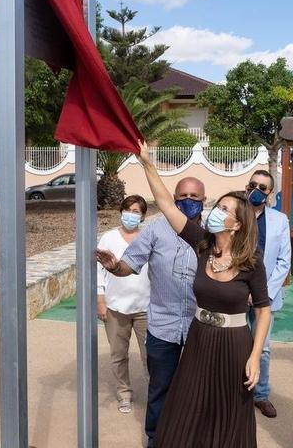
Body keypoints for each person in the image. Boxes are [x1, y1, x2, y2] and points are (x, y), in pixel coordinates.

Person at [100, 140, 272, 448]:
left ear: (236, 224)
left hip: (234, 344)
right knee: (186, 402)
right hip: (199, 338)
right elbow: (166, 204)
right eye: (217, 207)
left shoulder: (251, 263)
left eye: (223, 210)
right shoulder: (202, 244)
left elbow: (263, 310)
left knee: (228, 407)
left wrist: (256, 357)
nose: (216, 212)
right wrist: (147, 163)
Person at [96, 176, 206, 448]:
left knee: (196, 389)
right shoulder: (156, 230)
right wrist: (114, 268)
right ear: (173, 198)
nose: (188, 201)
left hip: (199, 328)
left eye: (194, 197)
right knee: (160, 387)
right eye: (182, 196)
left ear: (204, 201)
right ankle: (156, 439)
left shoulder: (213, 235)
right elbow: (129, 265)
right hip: (163, 327)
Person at [96, 194, 151, 414]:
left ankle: (156, 395)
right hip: (116, 308)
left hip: (146, 309)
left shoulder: (148, 237)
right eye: (127, 209)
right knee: (118, 354)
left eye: (136, 211)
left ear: (143, 216)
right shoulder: (109, 238)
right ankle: (124, 393)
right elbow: (99, 270)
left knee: (151, 356)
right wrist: (100, 299)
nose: (130, 214)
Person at [244, 170, 291, 418]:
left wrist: (263, 293)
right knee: (235, 345)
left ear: (269, 193)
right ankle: (235, 393)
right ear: (246, 186)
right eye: (253, 185)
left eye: (263, 187)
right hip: (236, 294)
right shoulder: (234, 214)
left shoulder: (279, 220)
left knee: (262, 348)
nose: (257, 190)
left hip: (265, 296)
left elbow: (284, 262)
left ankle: (261, 395)